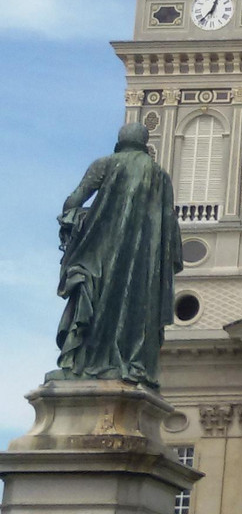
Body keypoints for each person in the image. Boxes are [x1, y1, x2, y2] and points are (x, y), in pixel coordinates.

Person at [49, 123, 183, 388]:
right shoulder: (160, 177)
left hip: (100, 255)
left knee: (95, 305)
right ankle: (128, 363)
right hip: (143, 263)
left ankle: (85, 363)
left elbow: (74, 201)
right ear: (145, 143)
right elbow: (170, 230)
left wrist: (78, 219)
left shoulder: (105, 164)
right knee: (134, 309)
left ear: (120, 140)